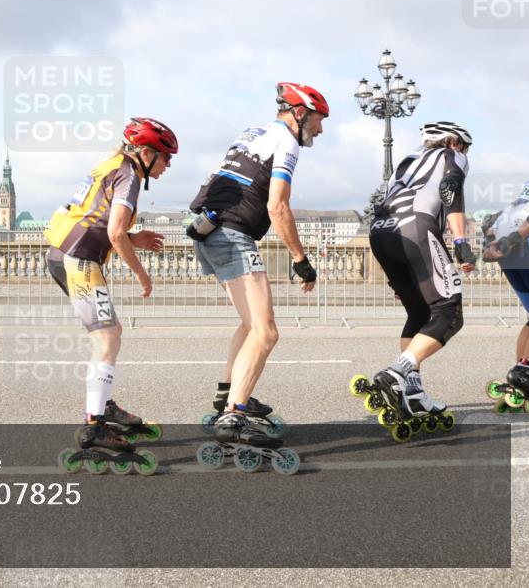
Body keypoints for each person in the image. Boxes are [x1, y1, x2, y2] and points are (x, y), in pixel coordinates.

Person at [187, 83, 328, 447]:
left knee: (252, 325)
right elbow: (277, 206)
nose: (320, 129)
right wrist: (300, 259)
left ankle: (228, 394)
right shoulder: (287, 142)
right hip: (232, 235)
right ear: (300, 113)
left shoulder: (252, 133)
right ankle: (234, 415)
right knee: (266, 333)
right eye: (319, 119)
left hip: (209, 230)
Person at [43, 117, 177, 457]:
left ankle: (102, 405)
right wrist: (142, 274)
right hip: (80, 260)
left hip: (66, 255)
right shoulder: (129, 176)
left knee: (110, 334)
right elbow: (114, 233)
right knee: (107, 339)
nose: (168, 164)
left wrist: (134, 238)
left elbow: (97, 219)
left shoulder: (113, 164)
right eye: (165, 156)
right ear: (146, 154)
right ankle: (95, 424)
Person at [368, 122, 477, 422]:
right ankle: (397, 372)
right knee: (449, 313)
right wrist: (461, 242)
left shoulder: (406, 161)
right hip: (416, 228)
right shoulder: (451, 154)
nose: (466, 153)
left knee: (419, 312)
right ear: (454, 142)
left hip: (380, 232)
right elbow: (449, 189)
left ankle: (413, 391)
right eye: (465, 147)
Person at [482, 180, 529, 409]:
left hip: (510, 256)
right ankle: (526, 373)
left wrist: (495, 244)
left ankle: (519, 376)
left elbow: (492, 221)